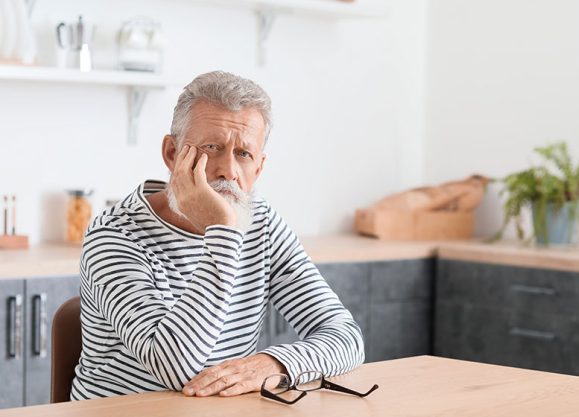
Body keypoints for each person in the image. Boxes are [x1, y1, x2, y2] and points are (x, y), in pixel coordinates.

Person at [71, 71, 365, 400]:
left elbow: (346, 338)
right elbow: (176, 369)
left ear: (259, 167)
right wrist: (222, 230)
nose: (228, 170)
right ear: (171, 153)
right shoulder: (114, 235)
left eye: (244, 154)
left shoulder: (262, 223)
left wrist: (272, 364)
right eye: (212, 148)